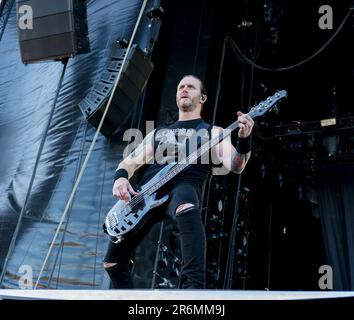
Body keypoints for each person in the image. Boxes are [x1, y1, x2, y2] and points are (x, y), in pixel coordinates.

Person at [104, 74, 254, 289]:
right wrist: (120, 179)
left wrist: (245, 138)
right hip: (145, 194)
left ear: (202, 98)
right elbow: (130, 162)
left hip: (183, 187)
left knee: (186, 206)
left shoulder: (214, 132)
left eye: (190, 87)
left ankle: (193, 289)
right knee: (112, 263)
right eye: (181, 87)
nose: (184, 89)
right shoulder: (158, 133)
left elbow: (236, 165)